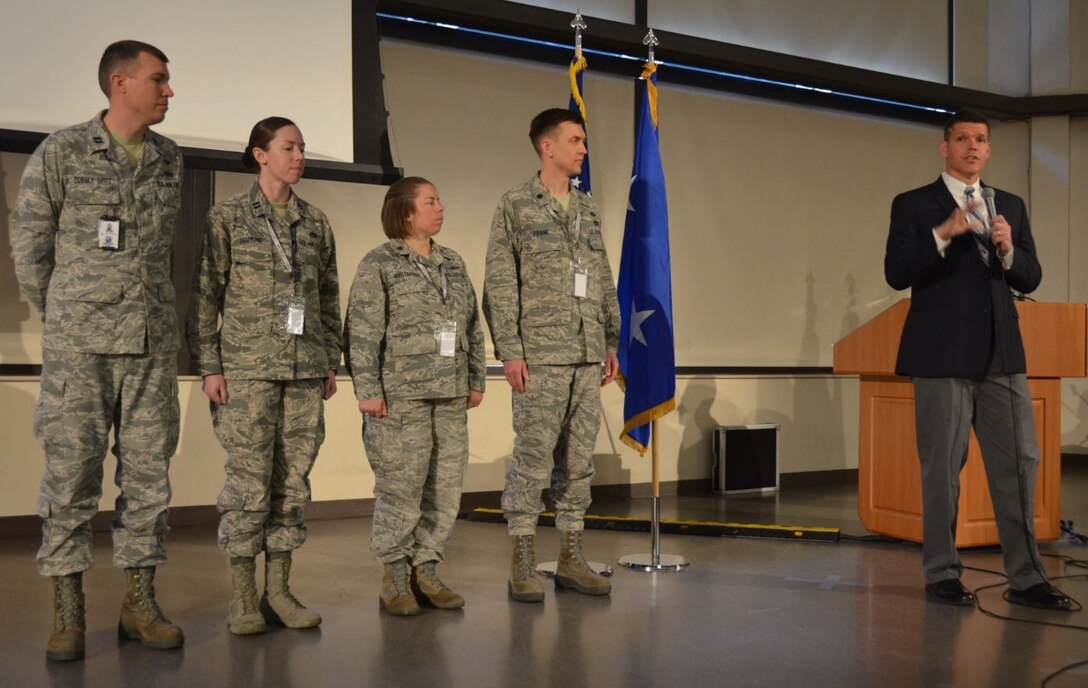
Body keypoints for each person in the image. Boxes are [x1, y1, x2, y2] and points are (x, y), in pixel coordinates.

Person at [12, 40, 185, 661]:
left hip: (149, 346)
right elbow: (31, 246)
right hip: (81, 348)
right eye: (159, 80)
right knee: (70, 477)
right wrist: (66, 311)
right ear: (120, 82)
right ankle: (68, 612)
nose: (169, 91)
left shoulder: (169, 159)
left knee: (149, 479)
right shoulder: (61, 151)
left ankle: (139, 603)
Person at [884, 110, 1071, 610]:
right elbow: (895, 271)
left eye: (981, 140)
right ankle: (942, 572)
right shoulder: (915, 203)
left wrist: (1009, 252)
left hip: (1002, 354)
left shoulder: (1008, 203)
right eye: (963, 138)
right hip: (941, 353)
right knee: (943, 468)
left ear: (989, 150)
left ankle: (1027, 578)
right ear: (944, 148)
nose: (973, 146)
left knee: (1019, 464)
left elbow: (1030, 277)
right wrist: (943, 233)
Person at [187, 117, 342, 634]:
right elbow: (206, 294)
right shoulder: (227, 217)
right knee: (248, 485)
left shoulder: (315, 223)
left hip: (303, 371)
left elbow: (326, 299)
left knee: (292, 483)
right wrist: (209, 364)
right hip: (247, 371)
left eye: (302, 147)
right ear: (260, 154)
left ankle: (279, 590)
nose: (299, 156)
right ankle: (243, 597)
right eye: (289, 147)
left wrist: (329, 359)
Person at [482, 108, 620, 602]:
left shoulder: (587, 208)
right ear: (547, 146)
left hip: (585, 354)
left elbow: (602, 276)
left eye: (583, 141)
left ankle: (571, 558)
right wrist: (510, 351)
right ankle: (521, 562)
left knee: (579, 463)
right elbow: (500, 284)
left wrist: (610, 340)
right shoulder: (516, 206)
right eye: (576, 140)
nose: (583, 149)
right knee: (533, 460)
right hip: (539, 356)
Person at [345, 176, 486, 616]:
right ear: (407, 212)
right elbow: (362, 332)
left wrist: (476, 378)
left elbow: (471, 326)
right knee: (401, 487)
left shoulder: (452, 262)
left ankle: (427, 568)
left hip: (449, 393)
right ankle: (396, 576)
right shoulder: (380, 263)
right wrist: (368, 391)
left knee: (444, 487)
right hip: (399, 396)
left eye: (440, 200)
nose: (440, 207)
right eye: (431, 201)